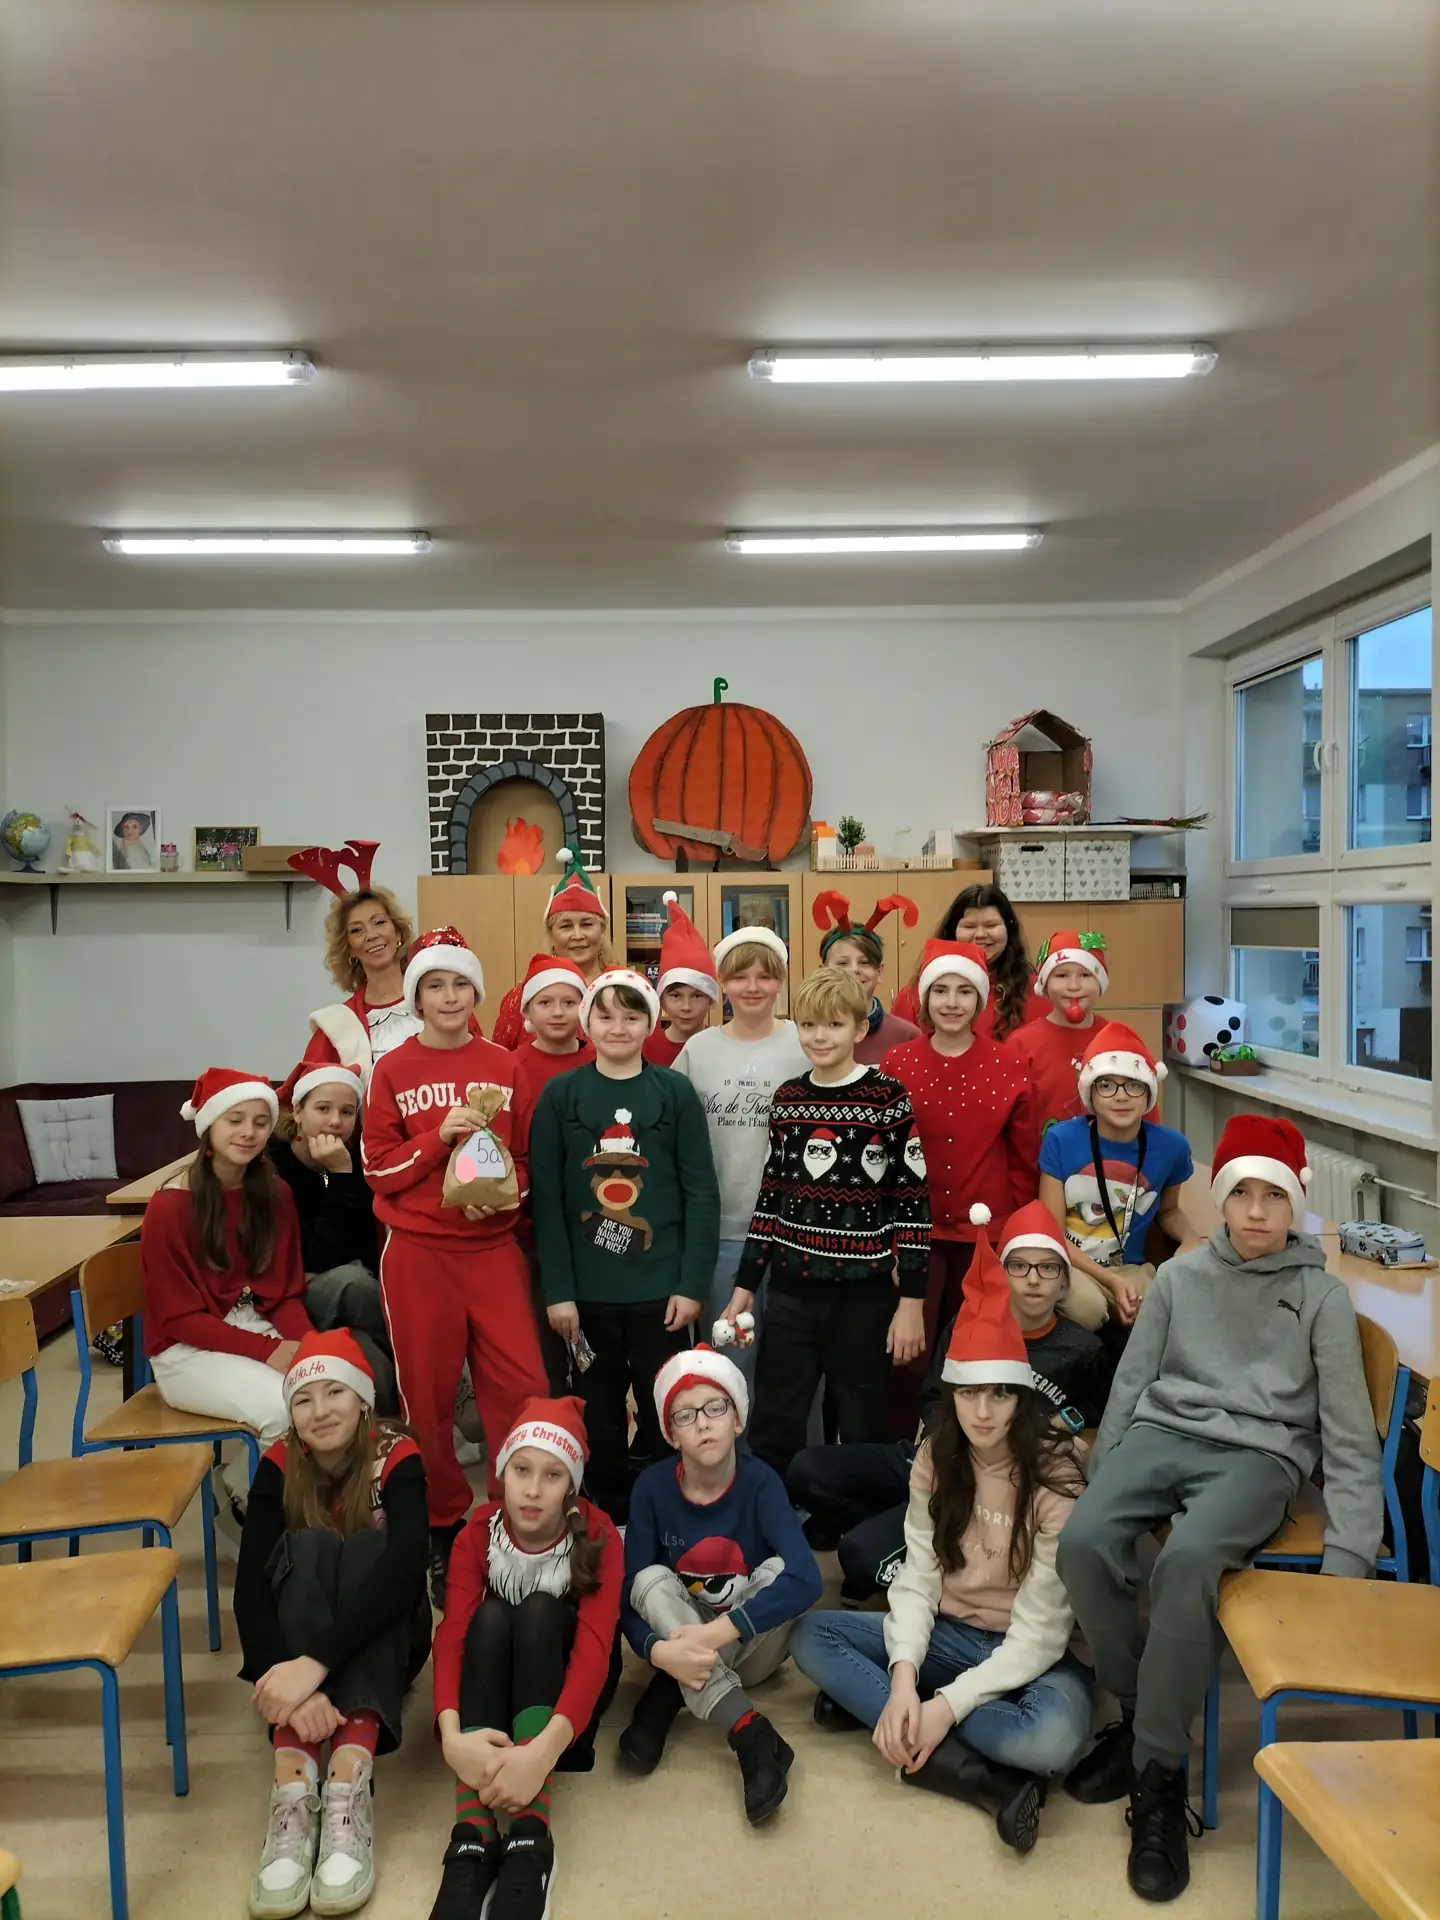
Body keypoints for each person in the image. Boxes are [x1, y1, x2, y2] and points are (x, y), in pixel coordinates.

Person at [1057, 1115, 1383, 1902]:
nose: (1258, 1211)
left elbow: (1346, 1432)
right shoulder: (1180, 1278)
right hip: (1164, 1432)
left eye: (1275, 1195)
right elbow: (1133, 1382)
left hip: (1260, 1456)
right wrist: (1103, 1474)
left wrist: (1350, 1552)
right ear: (1223, 1199)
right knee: (1083, 1540)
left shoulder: (1321, 1296)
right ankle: (1142, 1710)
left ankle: (1158, 1775)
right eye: (1243, 1194)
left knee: (1189, 1561)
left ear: (1296, 1204)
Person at [792, 1220, 1092, 1856]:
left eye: (1000, 1395)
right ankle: (973, 1775)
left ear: (1022, 1398)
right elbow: (919, 1576)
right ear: (951, 1393)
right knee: (812, 1635)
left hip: (1033, 1650)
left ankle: (904, 1719)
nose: (982, 1412)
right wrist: (906, 1680)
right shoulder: (936, 1455)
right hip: (950, 1634)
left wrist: (942, 1705)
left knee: (1053, 1739)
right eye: (969, 1394)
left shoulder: (1056, 1473)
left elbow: (1043, 1630)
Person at [788, 1200, 1112, 1601]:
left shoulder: (1084, 1349)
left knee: (859, 1557)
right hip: (939, 1456)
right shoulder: (967, 1324)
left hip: (999, 1489)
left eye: (1048, 1268)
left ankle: (915, 1542)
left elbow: (1099, 1415)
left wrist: (1061, 1427)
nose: (1033, 1279)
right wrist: (945, 1451)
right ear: (1002, 1273)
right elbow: (932, 1396)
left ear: (1064, 1281)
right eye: (1019, 1266)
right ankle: (902, 1526)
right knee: (807, 1471)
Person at [362, 927, 548, 1608]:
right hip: (418, 1254)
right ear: (416, 997)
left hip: (492, 1250)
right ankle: (441, 1527)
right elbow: (377, 1168)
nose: (448, 996)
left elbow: (523, 1162)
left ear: (476, 992)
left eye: (460, 984)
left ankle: (511, 1519)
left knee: (522, 1387)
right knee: (427, 1399)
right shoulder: (391, 1070)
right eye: (434, 985)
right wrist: (435, 1140)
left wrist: (499, 1199)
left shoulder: (506, 1063)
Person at [234, 1332, 430, 1919]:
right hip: (298, 1654)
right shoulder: (278, 1462)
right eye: (303, 1399)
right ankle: (294, 1782)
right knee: (308, 1545)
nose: (320, 1411)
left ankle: (348, 1776)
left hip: (387, 1636)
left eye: (335, 1392)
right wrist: (286, 1682)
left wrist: (313, 1669)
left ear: (364, 1400)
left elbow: (406, 1573)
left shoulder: (397, 1454)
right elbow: (249, 1587)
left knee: (372, 1550)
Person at [529, 966, 719, 1523]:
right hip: (586, 1296)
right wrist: (559, 1292)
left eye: (631, 1016)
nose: (618, 1027)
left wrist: (691, 1284)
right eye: (606, 1015)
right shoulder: (560, 1094)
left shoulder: (674, 1092)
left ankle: (670, 1512)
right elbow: (547, 1202)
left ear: (649, 1022)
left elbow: (700, 1193)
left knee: (668, 1406)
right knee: (600, 1412)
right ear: (587, 1021)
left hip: (661, 1293)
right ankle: (607, 1516)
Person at [427, 1397, 622, 1920]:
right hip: (496, 1679)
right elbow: (452, 1637)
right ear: (502, 1472)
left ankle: (530, 1835)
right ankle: (472, 1833)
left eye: (552, 1475)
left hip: (567, 1697)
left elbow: (595, 1649)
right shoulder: (477, 1533)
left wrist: (539, 1757)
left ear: (571, 1486)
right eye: (522, 1470)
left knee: (536, 1611)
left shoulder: (599, 1534)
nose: (533, 1490)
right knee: (488, 1619)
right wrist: (452, 1739)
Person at [738, 965, 930, 1481]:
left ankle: (853, 1518)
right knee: (775, 1419)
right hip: (791, 1292)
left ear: (860, 1029)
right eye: (809, 1025)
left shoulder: (887, 1098)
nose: (820, 1037)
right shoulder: (788, 1100)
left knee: (862, 1421)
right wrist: (745, 1284)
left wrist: (912, 1301)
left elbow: (912, 1203)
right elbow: (770, 1197)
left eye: (834, 1025)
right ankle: (774, 1514)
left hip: (863, 1298)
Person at [619, 1347, 822, 1825]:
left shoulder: (761, 1482)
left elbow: (808, 1578)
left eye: (715, 1408)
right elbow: (627, 1599)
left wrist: (713, 1635)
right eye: (685, 1415)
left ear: (737, 1419)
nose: (703, 1424)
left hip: (749, 1647)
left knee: (780, 1570)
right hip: (681, 1639)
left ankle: (666, 1696)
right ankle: (749, 1731)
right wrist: (657, 1652)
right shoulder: (651, 1488)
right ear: (671, 1433)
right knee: (647, 1579)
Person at [882, 940, 1038, 1429]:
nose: (952, 1002)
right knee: (907, 1354)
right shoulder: (898, 1064)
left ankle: (962, 1447)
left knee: (974, 1351)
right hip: (914, 1236)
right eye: (941, 990)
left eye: (964, 991)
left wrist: (1015, 1233)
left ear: (981, 999)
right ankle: (902, 1453)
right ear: (925, 998)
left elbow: (1023, 1158)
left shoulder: (1008, 1064)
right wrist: (889, 1239)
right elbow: (884, 1160)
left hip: (985, 1236)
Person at [143, 1067, 313, 1505]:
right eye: (234, 1120)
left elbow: (282, 1293)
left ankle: (242, 1484)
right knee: (285, 1410)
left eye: (260, 1122)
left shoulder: (275, 1194)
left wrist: (311, 1346)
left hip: (253, 1326)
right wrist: (270, 1350)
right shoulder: (169, 1206)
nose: (248, 1132)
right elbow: (179, 1320)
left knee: (330, 1390)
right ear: (209, 1125)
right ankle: (262, 1523)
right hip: (185, 1350)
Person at [671, 921, 808, 1400]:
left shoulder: (805, 1043)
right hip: (722, 1236)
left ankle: (797, 1453)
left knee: (795, 1373)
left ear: (781, 980)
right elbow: (672, 1138)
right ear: (722, 982)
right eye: (740, 976)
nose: (753, 987)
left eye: (765, 976)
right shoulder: (698, 1050)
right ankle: (731, 1447)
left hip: (795, 1235)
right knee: (730, 1364)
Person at [1038, 1021, 1199, 1332]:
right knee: (1088, 1309)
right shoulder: (1061, 1139)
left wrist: (1190, 1239)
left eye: (1133, 1085)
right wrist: (1110, 1282)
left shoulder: (1172, 1147)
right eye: (1106, 1085)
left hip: (1129, 1268)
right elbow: (1051, 1233)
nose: (1121, 1096)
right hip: (1069, 1263)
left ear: (1149, 1092)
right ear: (1090, 1093)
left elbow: (1168, 1211)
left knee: (1159, 1313)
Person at [268, 1064, 398, 1416]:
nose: (335, 1121)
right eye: (323, 1109)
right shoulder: (274, 1166)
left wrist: (345, 1173)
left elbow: (362, 1246)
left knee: (371, 1358)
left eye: (347, 1112)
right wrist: (340, 1177)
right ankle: (445, 1375)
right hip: (296, 1293)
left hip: (358, 1303)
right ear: (298, 1111)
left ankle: (393, 1437)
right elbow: (312, 1254)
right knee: (352, 1282)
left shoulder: (358, 1160)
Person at [282, 850, 428, 1096]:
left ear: (398, 931)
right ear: (348, 947)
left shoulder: (441, 1000)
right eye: (357, 930)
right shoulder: (338, 1026)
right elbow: (312, 1098)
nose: (371, 935)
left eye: (379, 922)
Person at [490, 845, 612, 1051]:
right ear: (551, 933)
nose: (577, 935)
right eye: (566, 926)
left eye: (587, 924)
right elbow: (500, 1059)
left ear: (602, 930)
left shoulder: (621, 988)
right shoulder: (523, 996)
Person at [891, 884, 1046, 1044]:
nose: (980, 934)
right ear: (952, 931)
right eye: (969, 926)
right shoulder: (916, 994)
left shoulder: (1037, 992)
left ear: (1009, 928)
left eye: (991, 925)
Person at [1006, 928, 1111, 1135]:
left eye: (1085, 975)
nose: (1074, 986)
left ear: (1100, 983)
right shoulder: (1021, 1044)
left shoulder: (1114, 1038)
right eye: (1061, 975)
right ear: (1045, 985)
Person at [811, 887, 922, 1064]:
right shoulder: (809, 1035)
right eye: (842, 963)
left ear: (880, 972)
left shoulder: (907, 1036)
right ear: (823, 972)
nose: (854, 970)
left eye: (864, 962)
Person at [509, 954, 595, 1141]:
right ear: (527, 1010)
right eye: (545, 1003)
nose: (558, 1012)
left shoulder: (600, 1060)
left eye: (569, 1003)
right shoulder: (512, 1067)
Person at [642, 891, 718, 1067]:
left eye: (697, 996)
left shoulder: (721, 1046)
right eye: (676, 996)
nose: (686, 1007)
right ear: (662, 1000)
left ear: (711, 999)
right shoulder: (643, 1049)